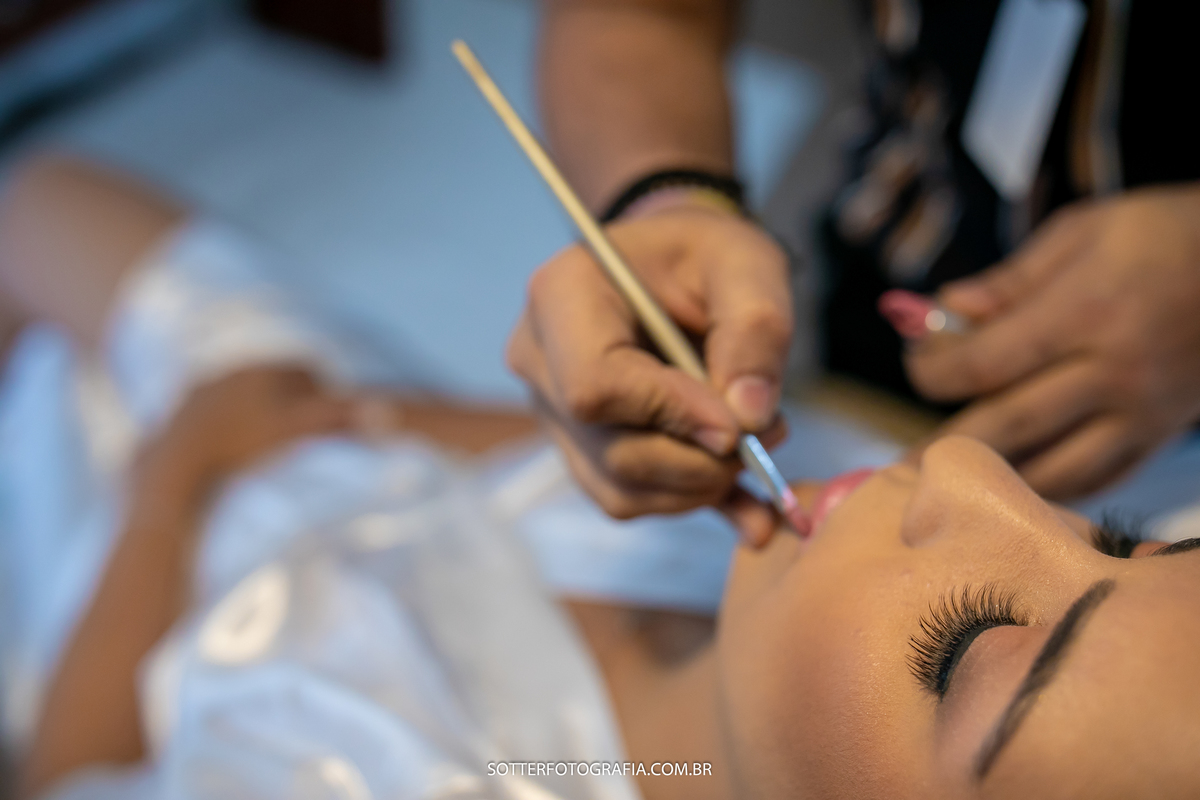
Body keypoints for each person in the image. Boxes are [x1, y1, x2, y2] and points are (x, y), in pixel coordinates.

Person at [4, 154, 1200, 800]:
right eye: (1114, 534)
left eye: (966, 647)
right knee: (41, 198)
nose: (965, 465)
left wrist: (174, 483)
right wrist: (361, 411)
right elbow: (520, 475)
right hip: (332, 452)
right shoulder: (788, 557)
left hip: (138, 589)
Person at [510, 0, 1200, 543]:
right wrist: (663, 201)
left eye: (957, 647)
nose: (954, 480)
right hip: (884, 295)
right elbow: (637, 13)